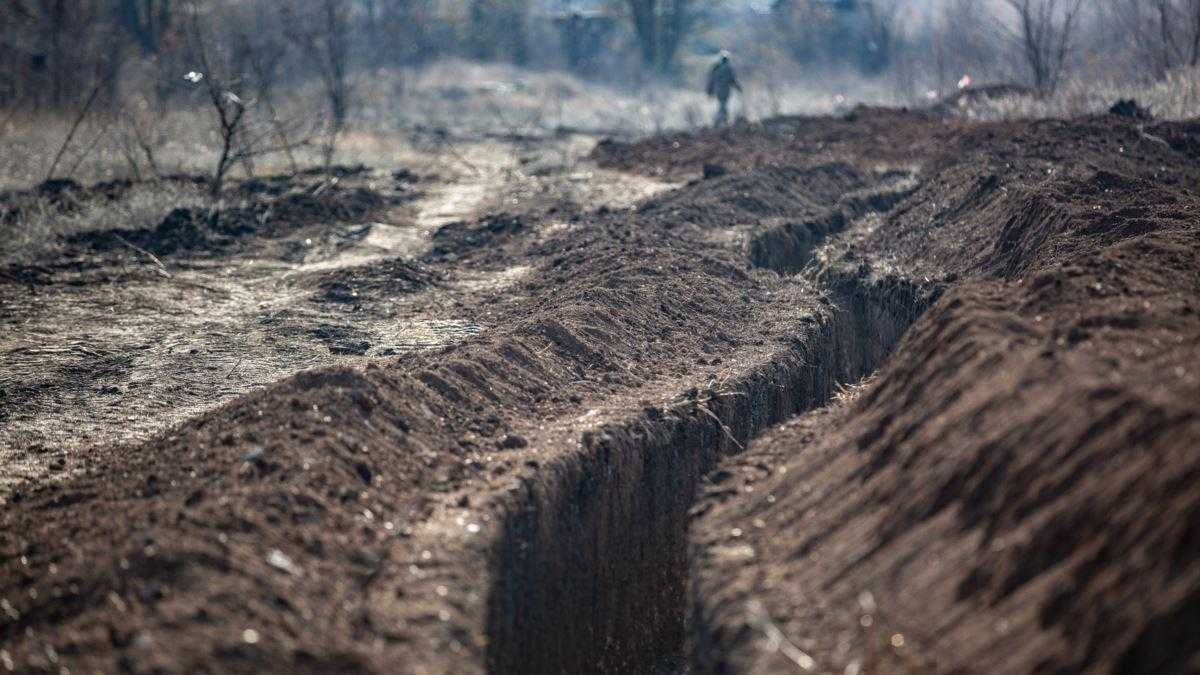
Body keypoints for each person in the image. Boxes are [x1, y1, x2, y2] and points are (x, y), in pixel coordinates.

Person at [706, 51, 741, 127]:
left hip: (718, 90)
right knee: (723, 105)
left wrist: (709, 91)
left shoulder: (716, 68)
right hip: (725, 90)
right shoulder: (728, 69)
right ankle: (720, 120)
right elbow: (733, 80)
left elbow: (711, 80)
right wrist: (738, 88)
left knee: (722, 105)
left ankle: (721, 120)